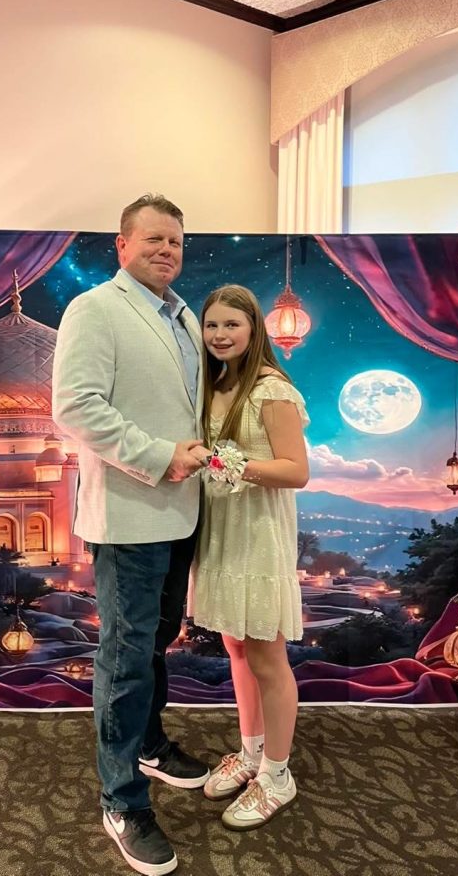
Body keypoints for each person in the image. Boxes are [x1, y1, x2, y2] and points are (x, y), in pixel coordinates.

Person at [52, 194, 210, 876]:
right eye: (153, 239)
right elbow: (76, 407)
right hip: (129, 514)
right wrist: (158, 456)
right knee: (124, 657)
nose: (166, 250)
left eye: (175, 241)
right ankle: (121, 800)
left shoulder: (185, 315)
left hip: (183, 511)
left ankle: (147, 744)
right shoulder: (95, 308)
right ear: (122, 245)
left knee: (155, 642)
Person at [189, 284, 309, 830]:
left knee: (266, 656)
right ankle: (252, 752)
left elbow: (296, 470)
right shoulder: (215, 385)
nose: (220, 335)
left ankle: (278, 775)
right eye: (211, 325)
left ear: (254, 328)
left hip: (259, 533)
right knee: (237, 648)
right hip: (223, 532)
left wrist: (230, 464)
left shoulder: (271, 388)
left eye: (231, 325)